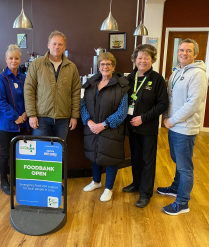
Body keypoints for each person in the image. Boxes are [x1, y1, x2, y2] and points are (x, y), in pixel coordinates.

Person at [158, 38, 208, 215]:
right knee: (177, 160)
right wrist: (166, 116)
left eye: (188, 50)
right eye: (181, 50)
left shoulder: (198, 74)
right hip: (174, 125)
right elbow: (171, 97)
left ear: (195, 54)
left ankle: (182, 202)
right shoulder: (177, 72)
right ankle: (175, 187)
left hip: (185, 128)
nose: (184, 53)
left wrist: (172, 120)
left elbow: (193, 103)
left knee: (185, 166)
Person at [122, 44, 169, 208]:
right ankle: (136, 183)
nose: (143, 61)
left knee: (147, 160)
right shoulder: (129, 78)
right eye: (140, 58)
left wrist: (143, 118)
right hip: (132, 127)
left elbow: (163, 104)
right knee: (135, 157)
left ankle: (146, 192)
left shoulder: (157, 79)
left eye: (146, 58)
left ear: (152, 60)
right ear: (134, 60)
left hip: (147, 127)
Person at [81, 52, 129, 202]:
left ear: (114, 66)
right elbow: (83, 105)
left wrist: (104, 125)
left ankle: (108, 188)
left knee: (111, 157)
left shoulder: (122, 86)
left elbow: (122, 111)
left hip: (111, 128)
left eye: (108, 64)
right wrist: (89, 122)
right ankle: (96, 182)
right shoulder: (90, 84)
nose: (105, 66)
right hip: (92, 127)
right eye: (102, 64)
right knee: (95, 155)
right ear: (98, 66)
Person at [24, 30, 81, 141]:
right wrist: (31, 115)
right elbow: (29, 90)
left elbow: (75, 93)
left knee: (59, 152)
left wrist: (74, 116)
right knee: (39, 152)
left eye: (60, 44)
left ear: (64, 47)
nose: (57, 47)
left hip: (63, 119)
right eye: (54, 43)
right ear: (48, 45)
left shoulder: (71, 67)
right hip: (41, 117)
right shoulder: (37, 64)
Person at [0, 44, 29, 195]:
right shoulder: (1, 79)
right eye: (10, 58)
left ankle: (17, 179)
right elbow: (0, 102)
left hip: (24, 123)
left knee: (20, 153)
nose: (13, 61)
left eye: (16, 58)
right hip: (7, 124)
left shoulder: (24, 78)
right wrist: (16, 117)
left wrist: (26, 114)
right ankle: (4, 181)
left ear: (21, 60)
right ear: (6, 60)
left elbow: (30, 97)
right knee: (5, 154)